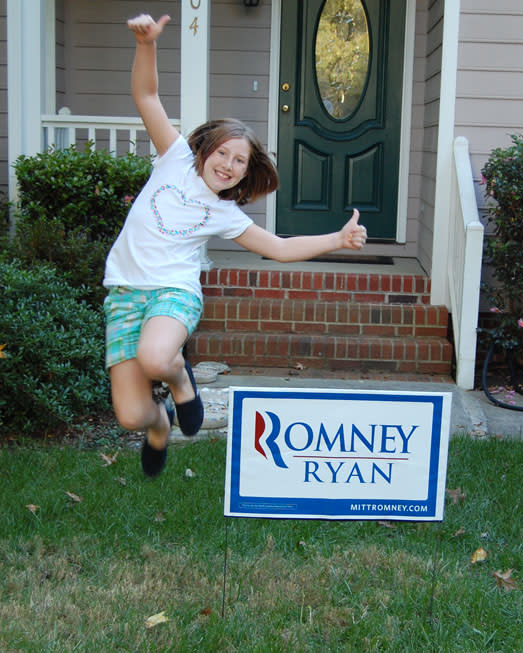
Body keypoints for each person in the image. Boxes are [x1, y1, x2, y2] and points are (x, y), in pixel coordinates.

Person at [103, 14, 367, 477]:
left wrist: (338, 239)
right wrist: (147, 44)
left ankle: (181, 380)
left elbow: (279, 249)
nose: (228, 164)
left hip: (173, 293)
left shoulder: (225, 213)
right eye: (222, 152)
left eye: (239, 161)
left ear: (247, 173)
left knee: (155, 357)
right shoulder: (175, 159)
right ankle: (160, 423)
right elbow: (146, 95)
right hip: (124, 292)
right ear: (205, 150)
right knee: (130, 414)